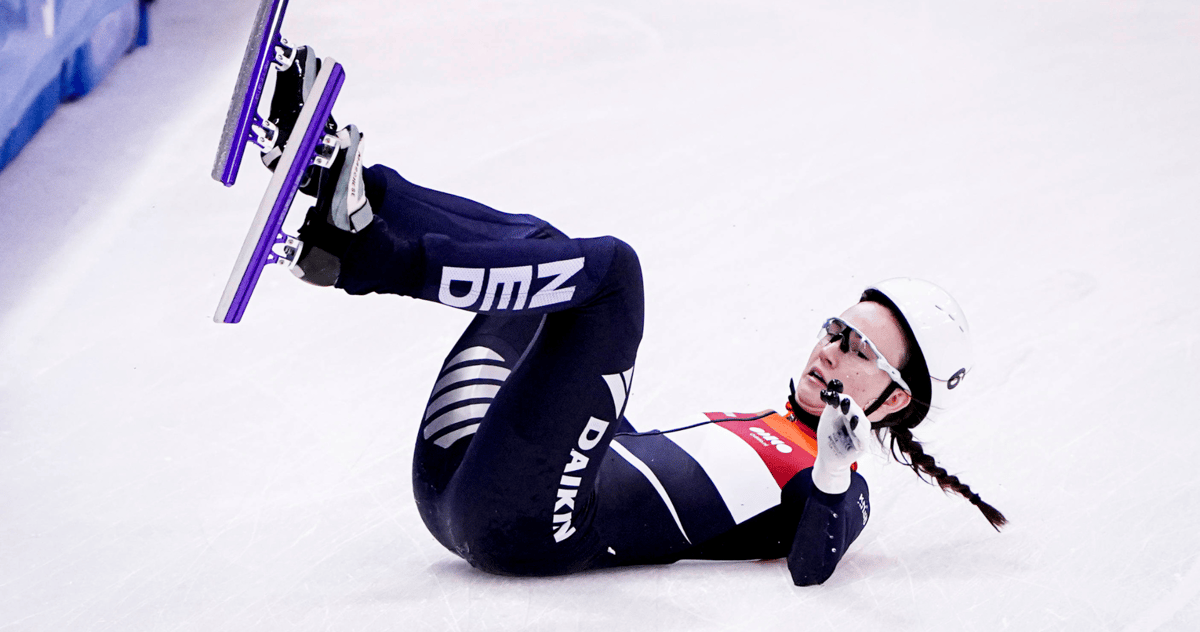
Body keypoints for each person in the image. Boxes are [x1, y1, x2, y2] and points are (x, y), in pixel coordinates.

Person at [262, 48, 1007, 586]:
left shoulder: (823, 481)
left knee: (614, 273)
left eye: (856, 354)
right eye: (835, 330)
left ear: (896, 397)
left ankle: (364, 256)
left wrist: (839, 463)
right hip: (459, 477)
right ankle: (342, 180)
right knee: (555, 261)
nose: (829, 352)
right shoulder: (761, 423)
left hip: (531, 526)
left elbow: (815, 563)